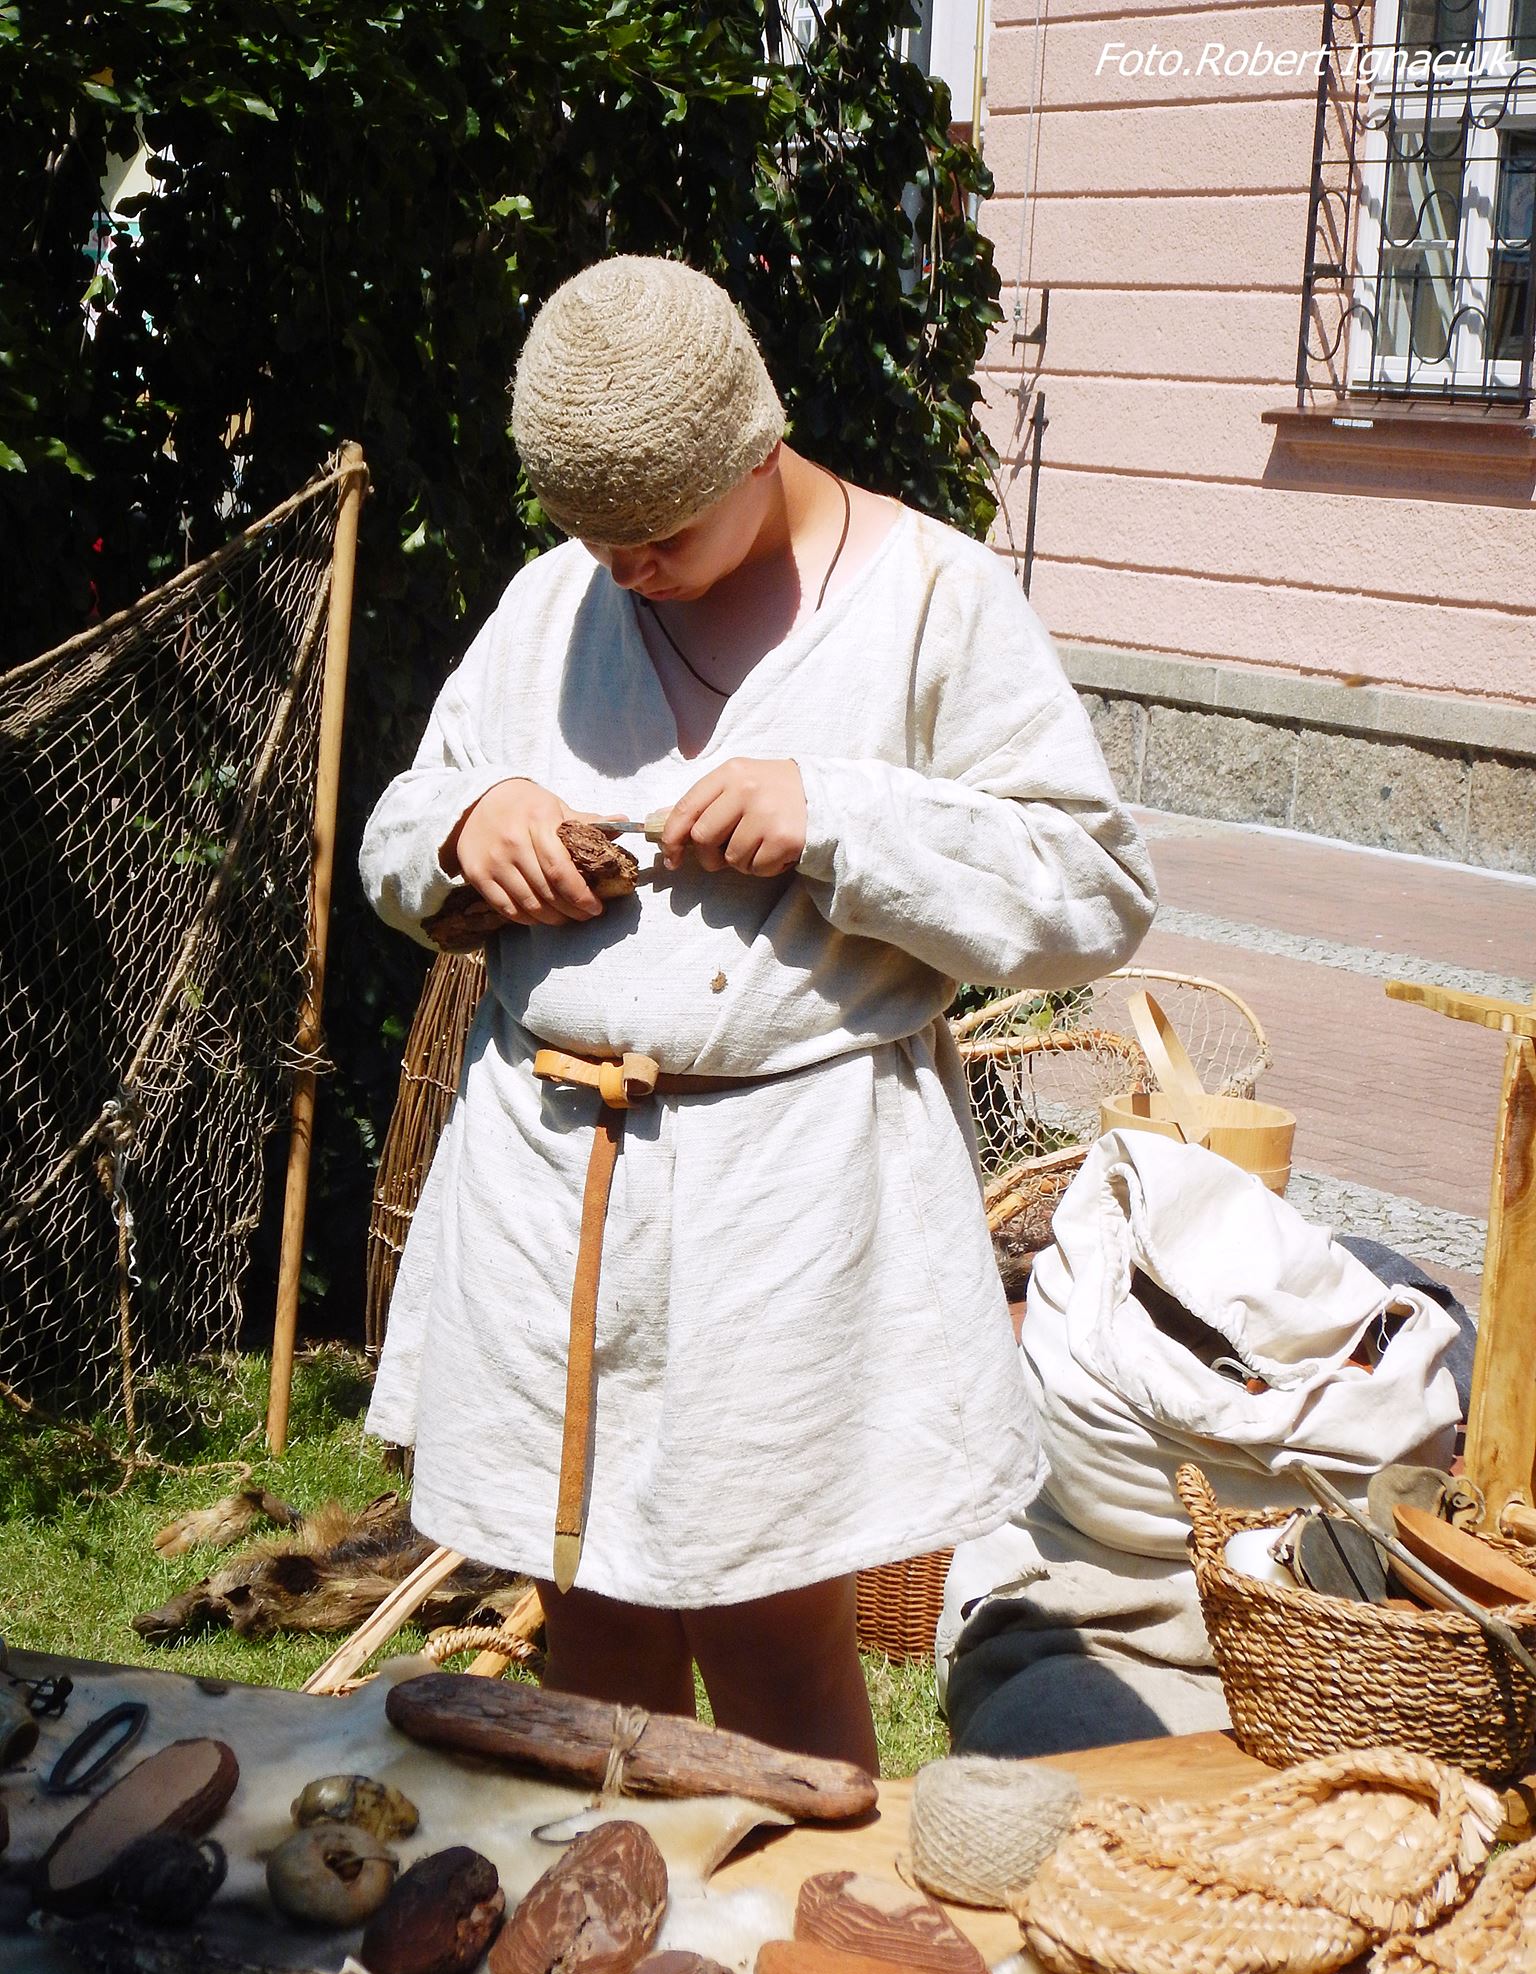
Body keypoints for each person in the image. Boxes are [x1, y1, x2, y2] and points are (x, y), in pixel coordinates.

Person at [359, 255, 1156, 1772]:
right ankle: (604, 1905)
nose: (625, 571)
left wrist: (840, 817)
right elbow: (398, 833)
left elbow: (1091, 889)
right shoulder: (551, 606)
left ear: (753, 448)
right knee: (585, 1610)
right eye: (594, 535)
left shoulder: (931, 601)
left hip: (788, 1204)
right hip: (549, 1184)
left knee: (776, 1630)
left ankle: (804, 1904)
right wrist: (469, 829)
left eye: (659, 533)